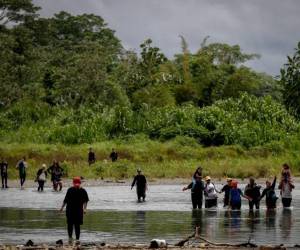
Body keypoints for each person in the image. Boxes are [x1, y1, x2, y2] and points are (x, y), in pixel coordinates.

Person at [60, 177, 89, 244]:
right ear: (73, 183)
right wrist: (62, 207)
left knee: (77, 225)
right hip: (69, 210)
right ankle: (70, 238)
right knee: (70, 224)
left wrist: (85, 209)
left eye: (78, 183)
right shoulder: (70, 190)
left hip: (79, 210)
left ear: (80, 183)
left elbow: (85, 201)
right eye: (75, 183)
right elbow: (65, 200)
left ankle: (77, 239)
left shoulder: (83, 191)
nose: (76, 185)